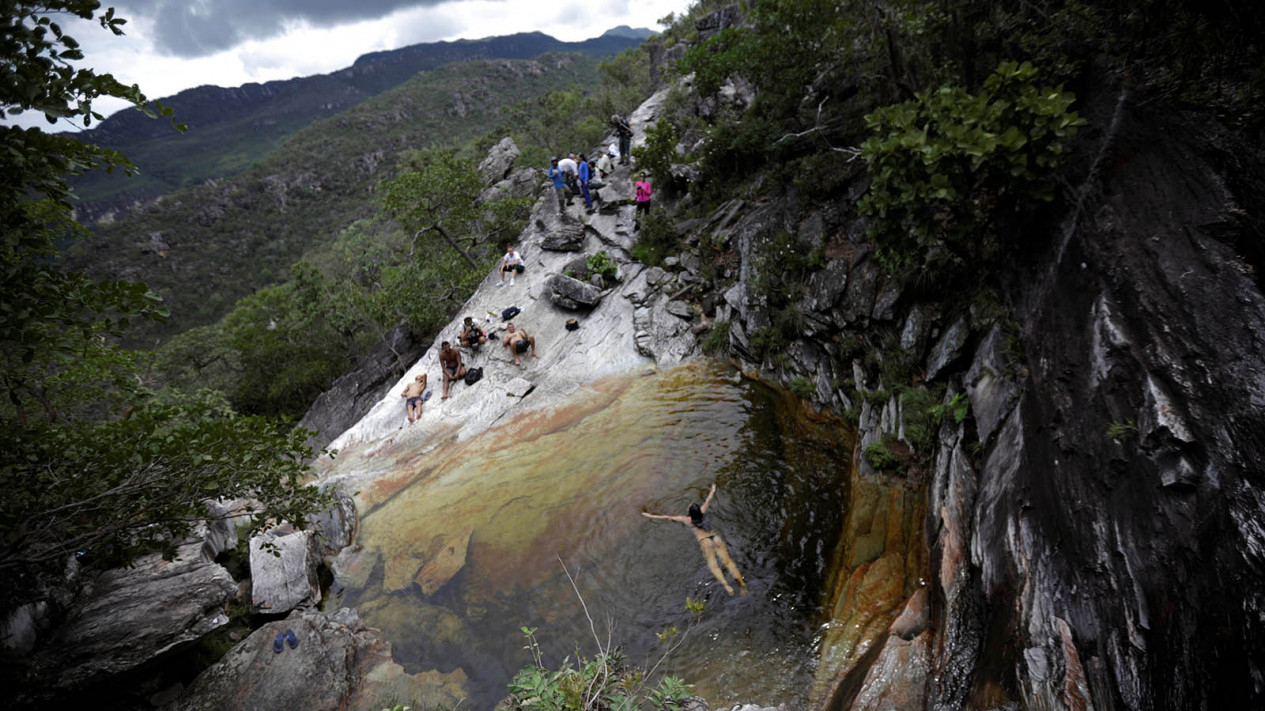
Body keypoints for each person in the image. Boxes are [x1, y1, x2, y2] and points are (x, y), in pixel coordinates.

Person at [642, 483, 747, 595]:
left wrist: (648, 515)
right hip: (716, 538)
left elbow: (666, 517)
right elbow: (708, 499)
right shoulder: (703, 510)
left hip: (705, 541)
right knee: (728, 562)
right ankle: (742, 585)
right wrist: (713, 489)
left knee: (713, 565)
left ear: (691, 514)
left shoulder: (686, 520)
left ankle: (727, 586)